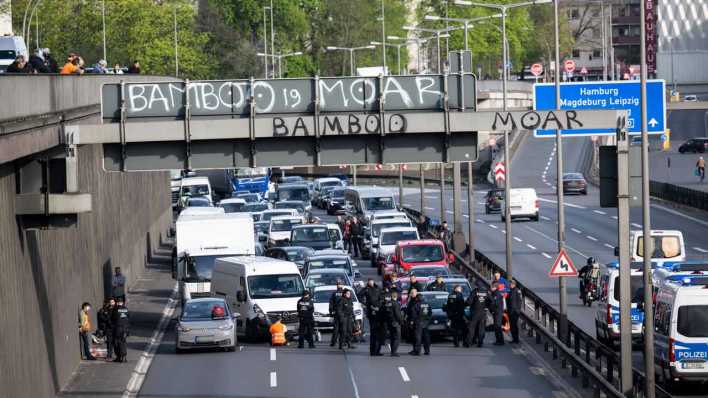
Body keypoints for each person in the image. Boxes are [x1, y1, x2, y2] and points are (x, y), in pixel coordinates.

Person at [360, 279, 383, 356]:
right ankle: (373, 351)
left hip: (379, 312)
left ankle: (377, 350)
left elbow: (382, 298)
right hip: (371, 312)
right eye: (369, 282)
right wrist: (366, 304)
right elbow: (359, 295)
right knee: (373, 333)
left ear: (373, 282)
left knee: (379, 333)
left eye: (372, 281)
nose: (371, 283)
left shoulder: (378, 288)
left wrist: (379, 306)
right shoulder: (366, 289)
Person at [407, 289, 431, 355]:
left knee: (418, 337)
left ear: (417, 298)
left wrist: (412, 322)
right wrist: (428, 320)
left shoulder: (416, 305)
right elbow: (430, 313)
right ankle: (427, 350)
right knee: (426, 337)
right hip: (425, 322)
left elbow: (413, 314)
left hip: (418, 322)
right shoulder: (427, 304)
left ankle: (417, 351)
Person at [466, 281, 489, 347]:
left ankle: (469, 342)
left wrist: (466, 304)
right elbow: (491, 301)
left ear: (476, 285)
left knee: (471, 327)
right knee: (481, 328)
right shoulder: (486, 292)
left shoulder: (474, 292)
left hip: (474, 312)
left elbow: (469, 302)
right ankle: (480, 343)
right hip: (483, 313)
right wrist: (487, 307)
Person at [382, 289, 402, 357]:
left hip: (389, 322)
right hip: (395, 322)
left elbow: (385, 312)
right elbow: (397, 314)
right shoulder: (396, 304)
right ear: (396, 296)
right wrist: (401, 321)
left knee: (392, 337)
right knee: (397, 338)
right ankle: (394, 352)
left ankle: (392, 351)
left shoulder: (388, 303)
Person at [111, 297, 130, 362]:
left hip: (117, 329)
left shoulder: (115, 309)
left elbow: (112, 318)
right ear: (122, 302)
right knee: (123, 342)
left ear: (117, 303)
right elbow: (128, 318)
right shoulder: (126, 309)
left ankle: (119, 357)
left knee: (117, 342)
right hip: (125, 329)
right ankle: (124, 356)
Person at [328, 281, 345, 347]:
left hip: (337, 313)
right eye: (338, 284)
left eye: (339, 284)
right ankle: (342, 342)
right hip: (342, 314)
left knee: (337, 329)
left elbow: (331, 303)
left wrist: (331, 311)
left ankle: (334, 342)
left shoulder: (335, 293)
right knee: (342, 329)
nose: (338, 285)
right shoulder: (344, 292)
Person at [506, 280, 522, 344]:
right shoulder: (512, 290)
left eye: (510, 284)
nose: (509, 285)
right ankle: (515, 339)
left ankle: (516, 339)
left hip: (514, 312)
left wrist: (515, 310)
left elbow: (516, 302)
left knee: (514, 325)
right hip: (512, 311)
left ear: (513, 284)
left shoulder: (515, 291)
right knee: (513, 325)